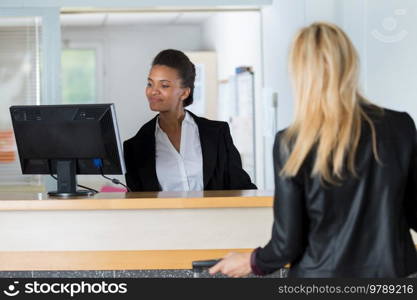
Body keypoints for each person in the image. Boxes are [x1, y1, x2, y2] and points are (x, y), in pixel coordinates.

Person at [209, 22, 417, 278]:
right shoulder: (400, 127)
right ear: (350, 64)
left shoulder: (292, 143)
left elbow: (288, 243)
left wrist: (252, 262)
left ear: (299, 73)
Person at [124, 49, 256, 192]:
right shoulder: (135, 147)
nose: (153, 91)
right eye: (150, 84)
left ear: (184, 92)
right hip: (163, 215)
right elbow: (137, 202)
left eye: (164, 85)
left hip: (212, 214)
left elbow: (241, 186)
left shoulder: (216, 134)